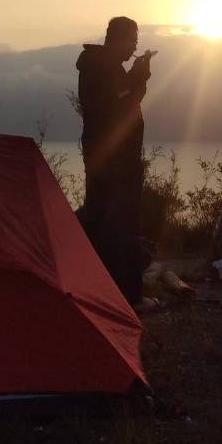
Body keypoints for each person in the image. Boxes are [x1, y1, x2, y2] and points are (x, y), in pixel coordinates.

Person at [76, 16, 160, 312]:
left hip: (104, 157)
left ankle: (99, 288)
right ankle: (129, 297)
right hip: (117, 161)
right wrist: (139, 76)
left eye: (136, 43)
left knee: (100, 220)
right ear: (117, 38)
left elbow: (122, 100)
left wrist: (136, 76)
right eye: (132, 41)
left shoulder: (101, 67)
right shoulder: (103, 69)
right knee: (123, 224)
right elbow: (122, 106)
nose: (134, 48)